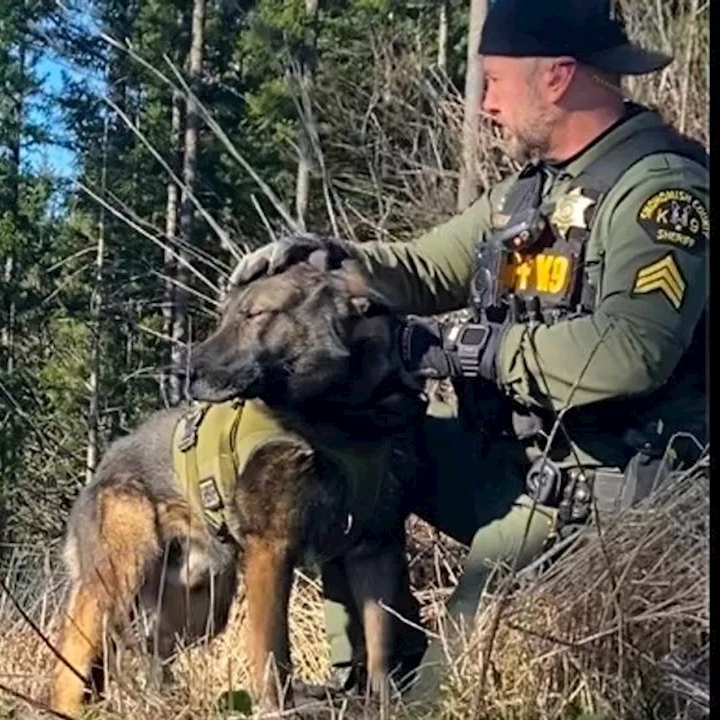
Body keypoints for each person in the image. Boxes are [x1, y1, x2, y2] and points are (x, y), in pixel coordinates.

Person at [228, 0, 709, 704]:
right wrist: (329, 259)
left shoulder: (661, 191)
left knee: (446, 702)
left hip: (599, 495)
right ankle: (367, 676)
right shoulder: (530, 192)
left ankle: (415, 697)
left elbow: (633, 351)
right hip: (512, 464)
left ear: (557, 77)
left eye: (494, 82)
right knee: (349, 448)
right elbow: (423, 269)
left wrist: (467, 349)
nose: (484, 105)